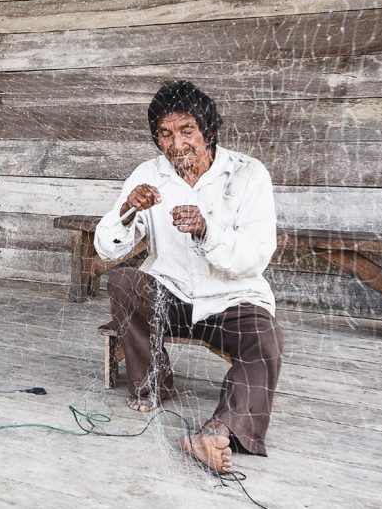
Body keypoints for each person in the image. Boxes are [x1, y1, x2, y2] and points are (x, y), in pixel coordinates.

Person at [94, 80, 284, 474]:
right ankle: (152, 384)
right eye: (165, 133)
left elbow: (255, 256)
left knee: (265, 340)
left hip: (232, 299)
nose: (176, 144)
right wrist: (128, 209)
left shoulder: (248, 174)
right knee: (123, 282)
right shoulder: (149, 174)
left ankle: (217, 431)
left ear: (208, 131)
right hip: (172, 294)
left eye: (187, 131)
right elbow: (108, 249)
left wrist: (206, 230)